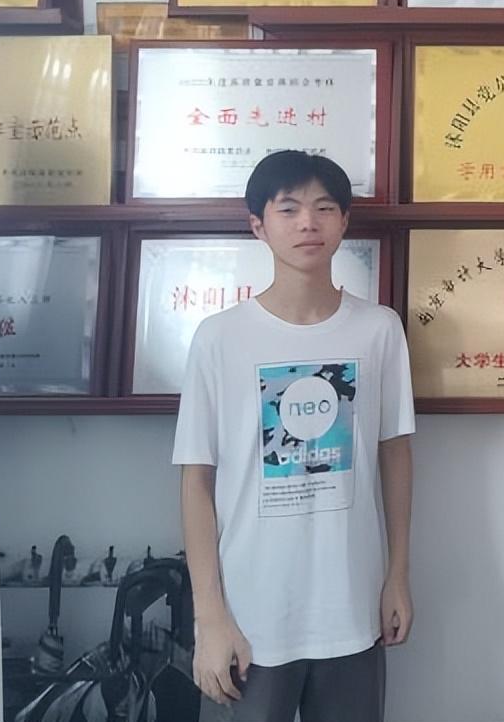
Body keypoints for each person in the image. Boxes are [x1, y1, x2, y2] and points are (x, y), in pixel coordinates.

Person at [174, 150, 414, 722]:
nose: (308, 222)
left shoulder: (379, 330)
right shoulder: (219, 338)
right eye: (288, 209)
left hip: (352, 610)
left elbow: (396, 456)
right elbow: (196, 481)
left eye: (324, 208)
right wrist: (209, 616)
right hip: (251, 620)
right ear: (258, 225)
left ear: (344, 221)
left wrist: (397, 576)